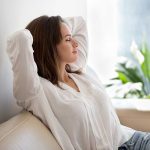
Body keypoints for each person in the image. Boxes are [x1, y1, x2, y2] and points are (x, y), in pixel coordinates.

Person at [6, 15, 150, 150]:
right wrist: (46, 31)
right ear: (49, 46)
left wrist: (57, 24)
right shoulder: (38, 92)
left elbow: (80, 22)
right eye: (68, 40)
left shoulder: (78, 72)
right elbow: (19, 39)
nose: (76, 44)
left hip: (133, 140)